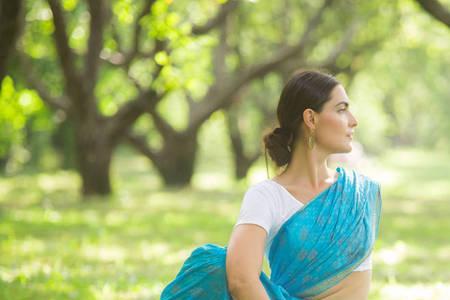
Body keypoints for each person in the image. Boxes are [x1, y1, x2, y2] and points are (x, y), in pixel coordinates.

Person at [160, 70, 382, 300]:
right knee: (213, 263)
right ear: (311, 119)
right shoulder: (268, 196)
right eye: (341, 109)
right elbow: (241, 280)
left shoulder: (359, 192)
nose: (353, 120)